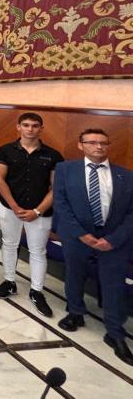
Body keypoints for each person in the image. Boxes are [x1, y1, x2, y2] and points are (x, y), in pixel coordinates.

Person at [53, 128, 133, 366]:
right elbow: (61, 203)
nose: (99, 147)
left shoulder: (126, 176)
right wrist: (82, 235)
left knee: (113, 283)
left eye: (103, 143)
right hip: (78, 236)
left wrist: (114, 239)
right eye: (92, 142)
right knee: (75, 274)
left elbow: (132, 213)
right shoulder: (65, 170)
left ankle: (115, 333)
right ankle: (76, 313)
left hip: (113, 239)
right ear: (81, 145)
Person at [0, 113, 63, 317]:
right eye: (26, 125)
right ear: (18, 127)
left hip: (40, 212)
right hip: (9, 208)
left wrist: (37, 210)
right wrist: (14, 206)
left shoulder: (53, 155)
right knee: (9, 244)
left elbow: (55, 187)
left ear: (41, 129)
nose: (30, 129)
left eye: (35, 126)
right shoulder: (6, 150)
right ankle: (9, 282)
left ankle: (37, 291)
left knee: (38, 250)